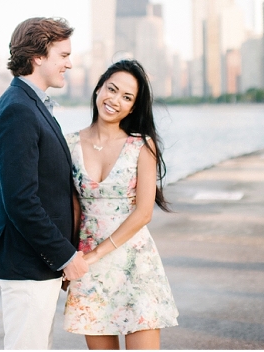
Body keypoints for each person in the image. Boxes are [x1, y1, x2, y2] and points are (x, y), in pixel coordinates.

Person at [0, 17, 90, 350]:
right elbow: (21, 200)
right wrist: (65, 256)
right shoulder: (19, 110)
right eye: (63, 55)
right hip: (26, 263)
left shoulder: (31, 105)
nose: (69, 64)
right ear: (38, 56)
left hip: (37, 264)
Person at [63, 59, 178, 350]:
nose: (115, 100)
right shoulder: (69, 144)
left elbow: (144, 213)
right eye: (112, 89)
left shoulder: (142, 146)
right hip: (89, 270)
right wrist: (67, 258)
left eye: (127, 97)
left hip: (135, 265)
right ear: (98, 89)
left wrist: (95, 254)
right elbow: (72, 209)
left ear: (133, 108)